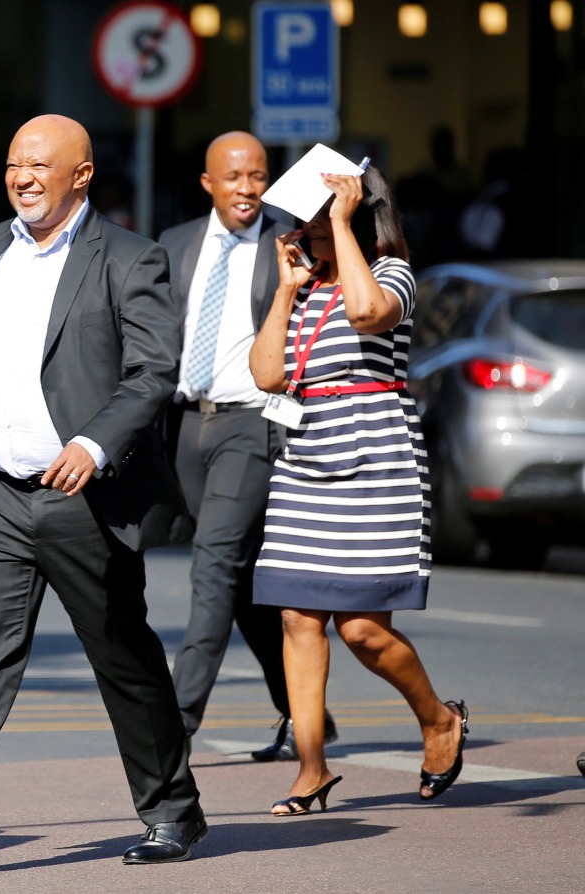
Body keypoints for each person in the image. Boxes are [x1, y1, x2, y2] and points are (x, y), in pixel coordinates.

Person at [0, 114, 205, 877]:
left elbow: (152, 372)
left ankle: (172, 811)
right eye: (14, 162)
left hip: (83, 496)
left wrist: (92, 443)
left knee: (122, 655)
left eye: (39, 164)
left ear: (80, 175)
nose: (21, 176)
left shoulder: (127, 256)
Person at [248, 159, 467, 816]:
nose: (307, 234)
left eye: (320, 221)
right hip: (306, 462)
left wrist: (342, 221)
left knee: (364, 631)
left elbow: (369, 314)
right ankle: (310, 770)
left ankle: (437, 720)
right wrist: (285, 291)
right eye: (304, 224)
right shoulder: (306, 289)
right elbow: (265, 376)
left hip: (376, 463)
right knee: (296, 618)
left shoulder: (392, 276)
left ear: (358, 217)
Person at [158, 131, 338, 762]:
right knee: (237, 587)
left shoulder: (287, 244)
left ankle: (172, 731)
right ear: (208, 183)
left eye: (257, 176)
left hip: (251, 425)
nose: (247, 188)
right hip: (184, 428)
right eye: (233, 177)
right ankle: (303, 711)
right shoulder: (174, 245)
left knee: (212, 568)